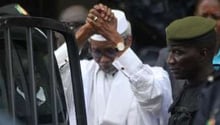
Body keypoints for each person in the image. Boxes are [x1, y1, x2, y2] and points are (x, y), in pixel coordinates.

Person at [55, 3, 172, 125]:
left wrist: (115, 38)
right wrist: (86, 30)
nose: (104, 60)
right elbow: (50, 71)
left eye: (111, 50)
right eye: (97, 52)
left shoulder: (156, 76)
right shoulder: (82, 71)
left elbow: (153, 97)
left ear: (128, 41)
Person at [166, 16, 218, 125]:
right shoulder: (184, 87)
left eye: (178, 52)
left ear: (203, 53)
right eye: (170, 51)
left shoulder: (215, 93)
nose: (170, 60)